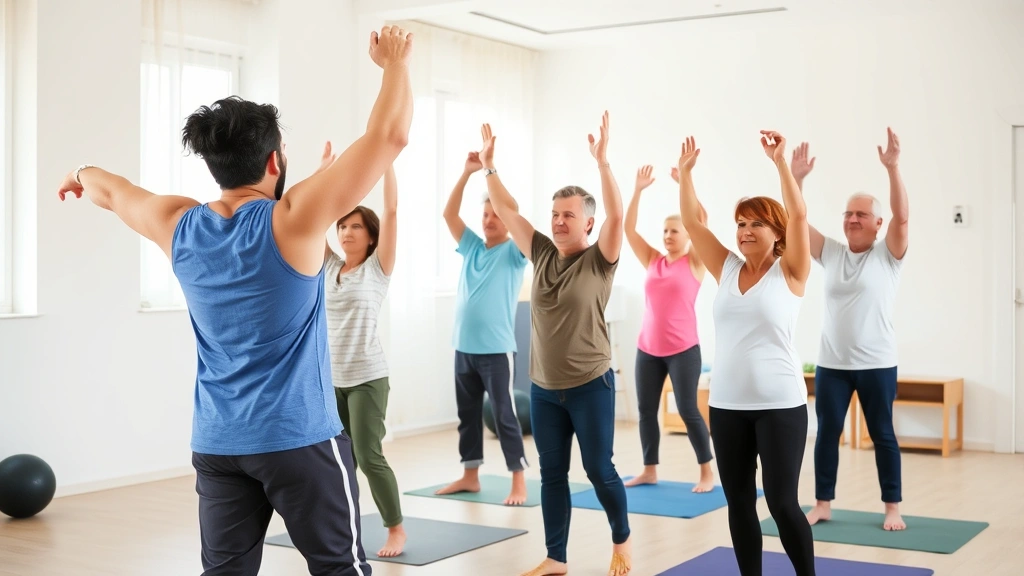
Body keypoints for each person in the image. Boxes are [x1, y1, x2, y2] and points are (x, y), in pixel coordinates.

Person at [56, 25, 413, 576]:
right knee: (342, 570)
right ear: (274, 162)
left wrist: (79, 174)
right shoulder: (292, 220)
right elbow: (388, 137)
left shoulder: (176, 224)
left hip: (219, 444)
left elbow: (112, 188)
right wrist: (394, 62)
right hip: (300, 440)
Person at [479, 114, 632, 576]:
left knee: (599, 470)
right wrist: (489, 168)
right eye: (555, 214)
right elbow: (508, 211)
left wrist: (603, 163)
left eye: (570, 215)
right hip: (544, 387)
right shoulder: (542, 252)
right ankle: (556, 558)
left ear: (588, 221)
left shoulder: (600, 260)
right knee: (552, 475)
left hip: (590, 384)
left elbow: (619, 215)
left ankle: (621, 539)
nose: (560, 221)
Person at [677, 132, 815, 576]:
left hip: (780, 405)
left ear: (777, 234)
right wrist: (686, 176)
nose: (745, 231)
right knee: (738, 501)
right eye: (740, 223)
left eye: (756, 223)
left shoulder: (791, 271)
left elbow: (799, 213)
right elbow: (693, 224)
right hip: (727, 405)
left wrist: (779, 164)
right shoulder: (727, 267)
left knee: (780, 502)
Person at [790, 129, 909, 532]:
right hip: (832, 364)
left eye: (861, 214)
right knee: (826, 434)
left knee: (883, 435)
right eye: (848, 213)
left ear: (877, 223)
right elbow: (797, 220)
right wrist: (797, 179)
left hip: (877, 363)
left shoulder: (888, 255)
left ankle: (892, 506)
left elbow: (903, 217)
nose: (853, 219)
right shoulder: (832, 253)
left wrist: (892, 169)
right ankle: (823, 503)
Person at [434, 150, 530, 506]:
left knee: (505, 415)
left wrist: (491, 169)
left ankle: (518, 479)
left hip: (496, 349)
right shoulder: (473, 246)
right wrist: (465, 173)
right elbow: (448, 213)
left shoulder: (515, 252)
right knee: (468, 416)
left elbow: (513, 213)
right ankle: (470, 475)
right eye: (485, 214)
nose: (489, 220)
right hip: (463, 347)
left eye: (495, 215)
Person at [324, 164, 406, 557]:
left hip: (368, 379)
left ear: (371, 236)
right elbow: (312, 213)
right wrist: (324, 171)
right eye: (342, 226)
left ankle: (395, 529)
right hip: (331, 380)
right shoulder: (327, 268)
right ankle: (345, 527)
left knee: (368, 456)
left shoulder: (378, 269)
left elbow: (391, 211)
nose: (345, 232)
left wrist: (387, 163)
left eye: (355, 226)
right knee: (338, 460)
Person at [622, 164, 714, 492]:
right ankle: (649, 469)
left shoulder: (696, 262)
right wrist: (637, 190)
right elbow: (628, 229)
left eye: (674, 231)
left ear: (687, 236)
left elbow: (701, 220)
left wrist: (685, 183)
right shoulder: (653, 259)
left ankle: (706, 472)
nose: (667, 236)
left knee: (688, 409)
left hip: (683, 349)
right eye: (665, 231)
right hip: (647, 348)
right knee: (647, 411)